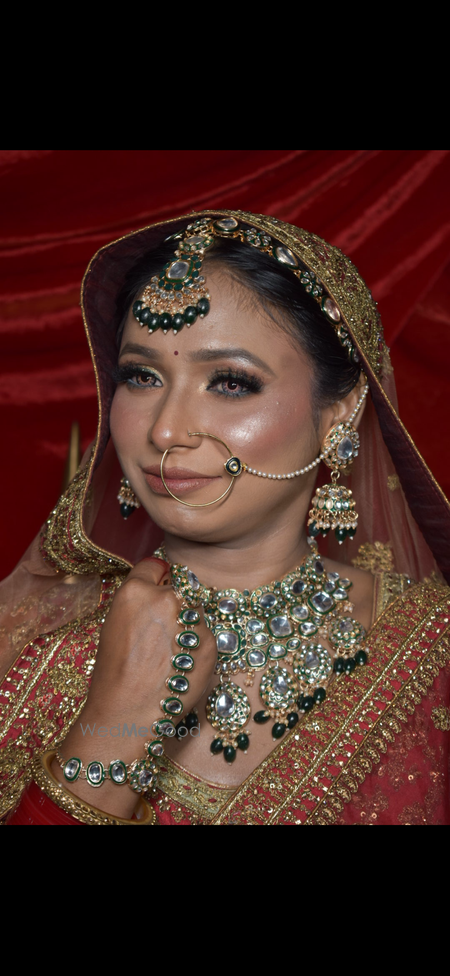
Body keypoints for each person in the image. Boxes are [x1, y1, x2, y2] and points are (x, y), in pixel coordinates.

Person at [1, 210, 449, 826]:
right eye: (141, 376)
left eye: (231, 383)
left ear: (338, 414)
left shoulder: (433, 652)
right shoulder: (28, 650)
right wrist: (113, 725)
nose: (165, 430)